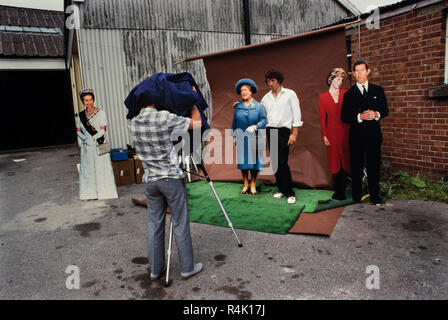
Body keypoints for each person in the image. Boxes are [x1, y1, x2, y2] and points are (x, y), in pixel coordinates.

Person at [129, 102, 203, 281]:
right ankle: (187, 268)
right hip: (170, 178)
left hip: (150, 180)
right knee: (180, 221)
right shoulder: (164, 117)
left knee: (154, 224)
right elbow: (197, 124)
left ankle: (155, 270)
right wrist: (192, 105)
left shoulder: (134, 122)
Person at [341, 61, 389, 205]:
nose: (359, 73)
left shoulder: (378, 90)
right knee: (356, 166)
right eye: (356, 71)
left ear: (368, 71)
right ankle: (356, 196)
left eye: (362, 70)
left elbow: (385, 110)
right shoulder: (349, 94)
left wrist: (376, 114)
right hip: (356, 136)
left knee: (374, 165)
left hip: (374, 135)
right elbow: (344, 116)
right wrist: (359, 117)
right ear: (354, 74)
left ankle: (375, 196)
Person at [261, 69, 303, 205]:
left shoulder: (290, 94)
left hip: (284, 131)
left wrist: (294, 133)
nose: (270, 83)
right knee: (275, 162)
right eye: (268, 81)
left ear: (279, 81)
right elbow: (260, 114)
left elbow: (296, 113)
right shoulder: (265, 98)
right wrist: (242, 106)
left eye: (272, 81)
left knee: (282, 162)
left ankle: (290, 192)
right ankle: (281, 189)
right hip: (270, 130)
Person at [76, 89, 118, 200]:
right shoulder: (80, 115)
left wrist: (93, 138)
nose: (88, 102)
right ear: (83, 101)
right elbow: (78, 130)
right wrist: (84, 139)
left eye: (90, 100)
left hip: (99, 144)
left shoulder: (101, 113)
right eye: (86, 100)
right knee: (88, 170)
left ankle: (105, 193)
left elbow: (104, 129)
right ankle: (89, 194)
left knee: (102, 169)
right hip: (87, 147)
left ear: (93, 100)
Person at [318, 68, 350, 200]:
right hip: (331, 132)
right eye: (338, 79)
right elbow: (322, 118)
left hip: (346, 130)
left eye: (342, 80)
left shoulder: (346, 93)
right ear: (331, 79)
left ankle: (344, 190)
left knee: (346, 159)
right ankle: (339, 191)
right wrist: (324, 135)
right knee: (334, 160)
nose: (340, 82)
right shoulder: (322, 97)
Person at [231, 79, 267, 195]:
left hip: (256, 136)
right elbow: (234, 122)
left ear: (251, 91)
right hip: (242, 137)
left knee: (255, 163)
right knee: (243, 162)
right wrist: (234, 135)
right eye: (241, 91)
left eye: (245, 90)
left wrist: (256, 126)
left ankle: (253, 184)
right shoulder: (238, 106)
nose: (243, 92)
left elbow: (264, 120)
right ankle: (246, 183)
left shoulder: (259, 106)